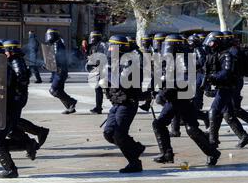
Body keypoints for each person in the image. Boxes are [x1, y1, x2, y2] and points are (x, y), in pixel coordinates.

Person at [152, 34, 221, 166]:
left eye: (169, 45)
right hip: (177, 98)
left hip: (179, 97)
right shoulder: (174, 58)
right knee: (191, 129)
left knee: (159, 124)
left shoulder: (185, 59)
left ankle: (167, 153)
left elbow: (183, 82)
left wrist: (165, 91)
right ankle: (213, 152)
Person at [0, 40, 37, 178]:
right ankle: (28, 143)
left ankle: (10, 170)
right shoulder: (0, 68)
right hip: (4, 109)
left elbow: (1, 89)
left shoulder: (3, 69)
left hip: (6, 110)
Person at [102, 35, 146, 173]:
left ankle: (135, 162)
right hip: (117, 103)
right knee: (109, 133)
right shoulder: (114, 61)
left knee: (119, 134)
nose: (109, 49)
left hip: (128, 103)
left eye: (112, 46)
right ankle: (135, 148)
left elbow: (121, 82)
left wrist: (107, 71)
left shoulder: (129, 63)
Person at [203, 32, 248, 149]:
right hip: (223, 87)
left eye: (213, 43)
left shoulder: (227, 55)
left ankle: (213, 140)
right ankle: (243, 136)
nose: (211, 45)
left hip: (228, 87)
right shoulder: (219, 54)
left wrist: (212, 77)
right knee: (227, 113)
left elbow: (226, 73)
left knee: (214, 111)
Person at [45, 29, 77, 115]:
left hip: (60, 72)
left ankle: (72, 102)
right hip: (59, 71)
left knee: (54, 90)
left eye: (49, 35)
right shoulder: (57, 44)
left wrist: (48, 64)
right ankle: (70, 107)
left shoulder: (57, 44)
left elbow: (57, 59)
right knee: (59, 90)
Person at [87, 31, 108, 114]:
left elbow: (103, 57)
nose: (91, 39)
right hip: (100, 70)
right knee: (98, 88)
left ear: (96, 38)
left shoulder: (102, 45)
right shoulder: (94, 46)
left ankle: (99, 107)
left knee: (108, 89)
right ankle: (98, 107)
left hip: (105, 69)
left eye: (93, 37)